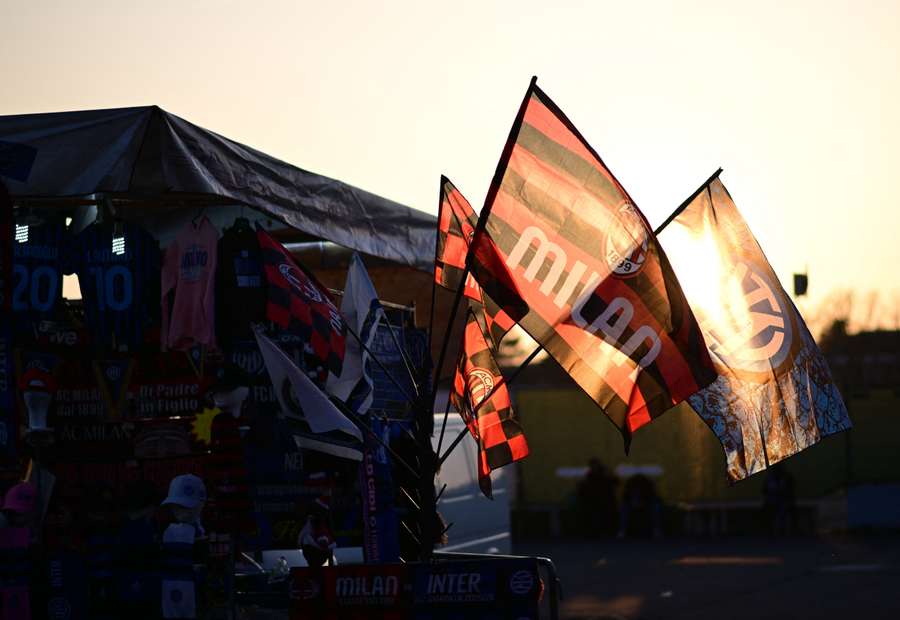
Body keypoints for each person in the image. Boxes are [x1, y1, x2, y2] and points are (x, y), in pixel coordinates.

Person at [575, 458, 618, 537]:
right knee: (590, 510)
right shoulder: (589, 475)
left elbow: (616, 482)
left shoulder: (604, 474)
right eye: (592, 466)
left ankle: (603, 531)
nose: (593, 468)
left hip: (604, 500)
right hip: (593, 500)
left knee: (600, 510)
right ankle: (593, 531)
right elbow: (583, 488)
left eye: (594, 466)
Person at [617, 474, 663, 539]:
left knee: (656, 508)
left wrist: (643, 503)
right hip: (631, 505)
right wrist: (633, 503)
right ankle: (622, 530)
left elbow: (656, 499)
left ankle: (656, 530)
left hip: (647, 505)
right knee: (623, 508)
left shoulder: (649, 491)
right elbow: (625, 499)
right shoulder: (628, 493)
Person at [297, 500, 336, 568]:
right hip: (313, 555)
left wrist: (325, 547)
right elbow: (300, 541)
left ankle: (329, 568)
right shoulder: (309, 528)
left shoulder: (325, 528)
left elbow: (332, 544)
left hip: (321, 555)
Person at [762, 463, 796, 536]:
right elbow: (764, 490)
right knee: (779, 516)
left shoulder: (773, 478)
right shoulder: (785, 477)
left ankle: (779, 532)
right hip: (778, 500)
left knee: (779, 516)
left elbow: (764, 490)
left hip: (779, 500)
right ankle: (780, 532)